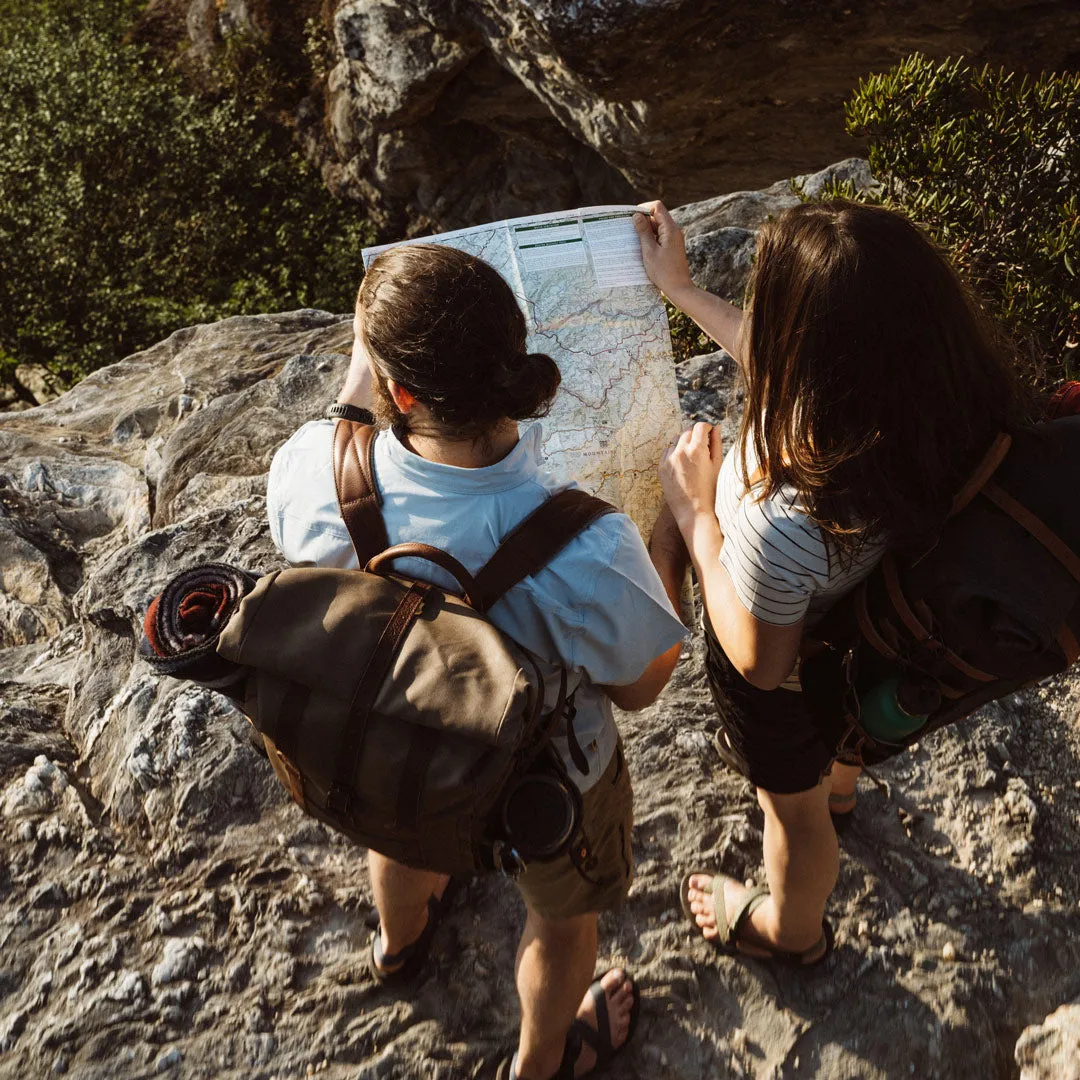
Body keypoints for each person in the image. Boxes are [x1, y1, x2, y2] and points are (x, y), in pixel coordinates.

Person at [265, 243, 689, 1077]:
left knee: (402, 831)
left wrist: (369, 365)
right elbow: (643, 686)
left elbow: (346, 427)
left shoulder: (310, 474)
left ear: (399, 391)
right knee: (564, 920)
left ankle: (401, 942)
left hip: (393, 746)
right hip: (540, 785)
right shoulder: (590, 548)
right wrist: (670, 547)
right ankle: (542, 1062)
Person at [633, 198, 1030, 965]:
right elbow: (796, 369)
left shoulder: (791, 520)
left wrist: (694, 518)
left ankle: (792, 931)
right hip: (871, 629)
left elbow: (759, 661)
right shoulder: (945, 406)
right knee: (841, 734)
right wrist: (680, 291)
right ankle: (842, 784)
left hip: (786, 676)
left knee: (793, 816)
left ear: (813, 355)